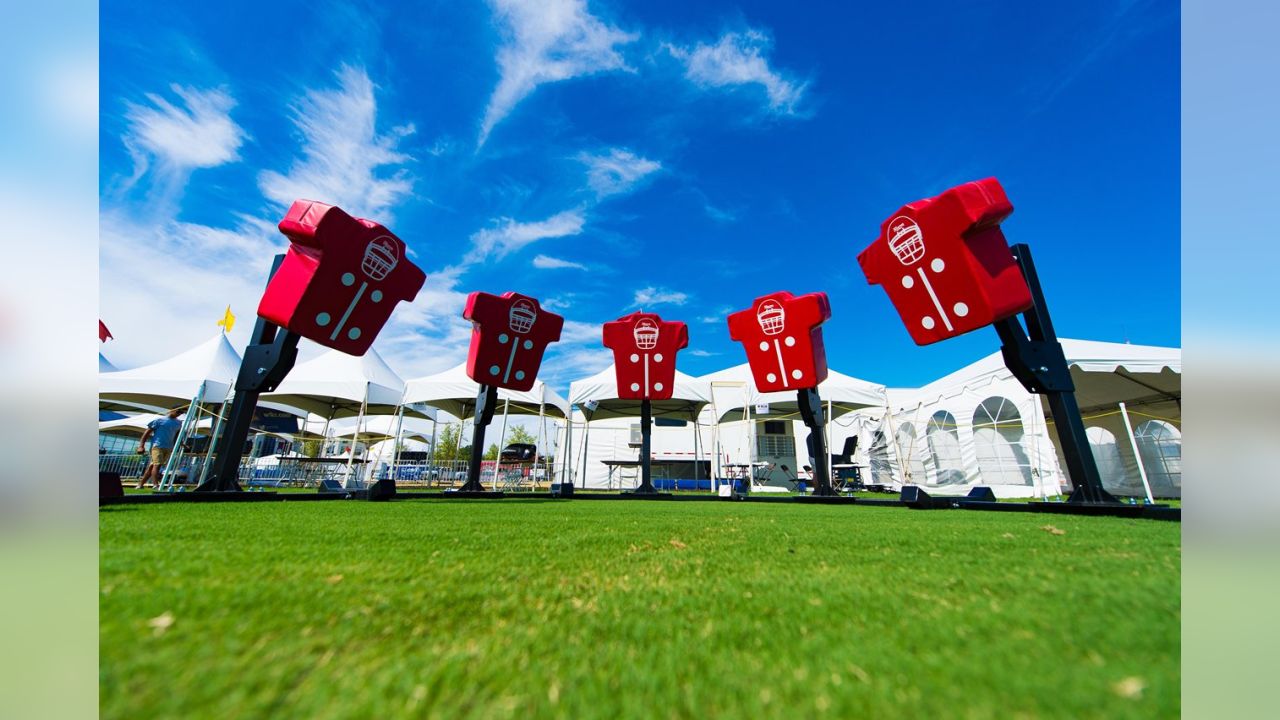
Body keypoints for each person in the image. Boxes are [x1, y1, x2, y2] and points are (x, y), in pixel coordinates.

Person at [136, 409, 183, 489]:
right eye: (178, 411)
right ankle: (155, 485)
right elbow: (147, 433)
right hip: (157, 446)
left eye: (181, 413)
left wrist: (181, 443)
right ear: (172, 410)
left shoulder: (178, 423)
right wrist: (141, 446)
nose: (179, 414)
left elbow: (177, 436)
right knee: (157, 465)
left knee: (153, 466)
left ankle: (140, 485)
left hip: (168, 447)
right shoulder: (159, 420)